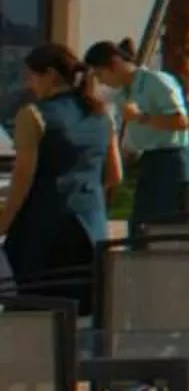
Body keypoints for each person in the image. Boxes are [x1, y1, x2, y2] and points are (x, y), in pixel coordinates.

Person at [0, 43, 119, 311]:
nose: (28, 84)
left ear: (50, 75)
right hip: (90, 230)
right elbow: (114, 175)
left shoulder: (33, 115)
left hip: (42, 234)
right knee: (84, 315)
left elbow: (23, 179)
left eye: (31, 76)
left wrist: (3, 224)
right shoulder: (101, 113)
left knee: (36, 317)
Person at [110, 36, 189, 230]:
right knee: (141, 227)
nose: (101, 81)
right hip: (147, 160)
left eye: (100, 74)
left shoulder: (157, 81)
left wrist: (142, 117)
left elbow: (181, 121)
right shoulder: (122, 94)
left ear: (114, 65)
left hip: (170, 159)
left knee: (169, 226)